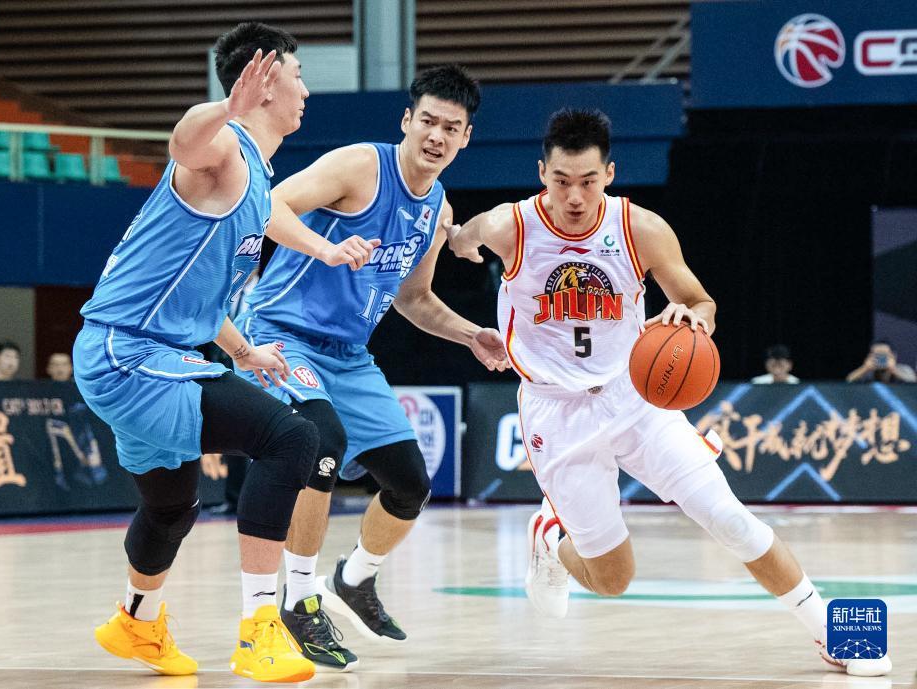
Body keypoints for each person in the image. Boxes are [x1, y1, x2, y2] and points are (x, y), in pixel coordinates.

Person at [447, 108, 890, 677]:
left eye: (588, 181)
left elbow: (702, 301)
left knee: (730, 519)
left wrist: (693, 318)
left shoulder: (641, 229)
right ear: (541, 173)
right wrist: (457, 238)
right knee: (613, 579)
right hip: (557, 413)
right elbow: (462, 238)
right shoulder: (510, 226)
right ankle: (551, 537)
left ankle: (829, 631)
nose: (574, 197)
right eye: (561, 181)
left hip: (635, 400)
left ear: (610, 174)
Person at [72, 23, 378, 682]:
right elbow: (184, 142)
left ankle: (135, 621)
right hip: (131, 355)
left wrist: (246, 349)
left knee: (171, 506)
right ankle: (259, 629)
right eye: (297, 75)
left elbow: (208, 291)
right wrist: (223, 108)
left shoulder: (256, 181)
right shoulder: (225, 149)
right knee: (291, 438)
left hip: (139, 354)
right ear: (262, 82)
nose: (305, 90)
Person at [235, 64, 508, 670]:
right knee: (319, 441)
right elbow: (268, 205)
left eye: (451, 128)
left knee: (410, 483)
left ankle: (354, 578)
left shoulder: (437, 207)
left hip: (349, 357)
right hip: (282, 334)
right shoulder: (361, 165)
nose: (437, 135)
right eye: (428, 121)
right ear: (407, 121)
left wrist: (472, 335)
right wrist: (326, 248)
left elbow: (414, 299)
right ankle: (298, 600)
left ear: (466, 138)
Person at [846, 340, 915, 383]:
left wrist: (893, 370)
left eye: (883, 354)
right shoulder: (868, 372)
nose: (880, 358)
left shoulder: (904, 369)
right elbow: (848, 381)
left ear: (893, 356)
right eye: (877, 355)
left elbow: (913, 382)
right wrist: (865, 368)